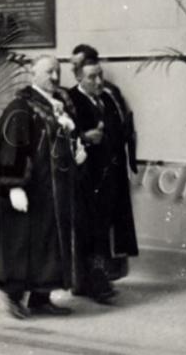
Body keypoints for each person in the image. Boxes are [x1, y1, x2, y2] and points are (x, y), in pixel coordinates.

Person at [0, 55, 82, 319]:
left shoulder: (55, 106)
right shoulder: (20, 107)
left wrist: (74, 148)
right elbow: (11, 147)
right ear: (33, 74)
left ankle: (41, 297)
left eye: (57, 72)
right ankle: (14, 297)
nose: (55, 78)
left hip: (53, 192)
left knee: (48, 247)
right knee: (21, 245)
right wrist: (14, 187)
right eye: (49, 72)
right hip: (29, 190)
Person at [67, 51, 138, 303]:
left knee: (104, 230)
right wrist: (85, 138)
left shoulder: (107, 100)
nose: (98, 82)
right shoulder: (69, 101)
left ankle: (99, 279)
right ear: (78, 77)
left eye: (100, 76)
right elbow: (62, 137)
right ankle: (92, 283)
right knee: (89, 232)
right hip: (84, 178)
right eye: (91, 77)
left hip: (108, 177)